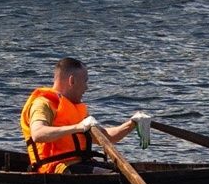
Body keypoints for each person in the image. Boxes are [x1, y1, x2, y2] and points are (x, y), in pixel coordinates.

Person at [20, 57, 150, 175]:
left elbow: (106, 137)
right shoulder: (43, 104)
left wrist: (133, 123)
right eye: (85, 81)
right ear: (72, 81)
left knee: (134, 172)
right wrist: (78, 127)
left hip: (82, 164)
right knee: (113, 177)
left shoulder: (76, 109)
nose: (87, 88)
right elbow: (38, 134)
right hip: (56, 169)